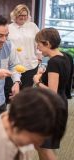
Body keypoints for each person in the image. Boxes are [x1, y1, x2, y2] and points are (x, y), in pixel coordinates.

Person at [33, 28, 71, 160]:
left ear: (47, 44)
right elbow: (64, 81)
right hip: (61, 104)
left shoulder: (54, 62)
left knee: (44, 147)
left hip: (52, 108)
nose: (39, 49)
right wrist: (45, 75)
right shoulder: (66, 57)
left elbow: (52, 92)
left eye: (39, 45)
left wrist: (37, 81)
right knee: (40, 144)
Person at [4, 4, 41, 103]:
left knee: (25, 96)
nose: (23, 17)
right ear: (15, 15)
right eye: (20, 15)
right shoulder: (8, 27)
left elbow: (39, 42)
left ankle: (22, 115)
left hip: (30, 65)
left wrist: (39, 58)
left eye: (25, 15)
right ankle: (11, 115)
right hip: (13, 66)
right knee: (11, 94)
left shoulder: (32, 26)